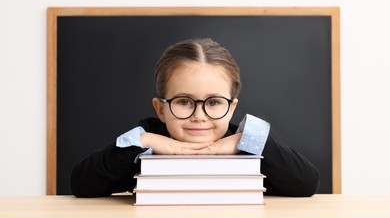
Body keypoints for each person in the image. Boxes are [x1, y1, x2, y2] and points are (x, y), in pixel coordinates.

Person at [70, 38, 319, 198]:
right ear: (161, 109)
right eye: (184, 101)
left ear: (231, 108)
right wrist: (145, 140)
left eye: (213, 103)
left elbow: (306, 183)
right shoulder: (142, 147)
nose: (199, 117)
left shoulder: (244, 145)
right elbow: (81, 184)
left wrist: (244, 142)